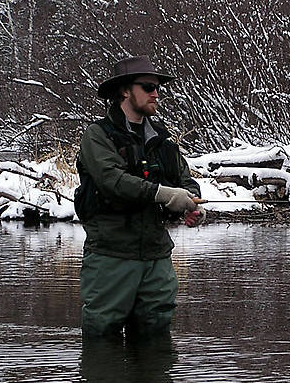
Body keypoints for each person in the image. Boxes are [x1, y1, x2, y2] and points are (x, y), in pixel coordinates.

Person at [76, 55, 205, 337]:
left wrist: (191, 203)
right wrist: (164, 194)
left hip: (156, 257)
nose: (156, 93)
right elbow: (113, 181)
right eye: (148, 87)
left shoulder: (162, 138)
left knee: (156, 336)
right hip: (111, 256)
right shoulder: (97, 136)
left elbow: (184, 179)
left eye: (158, 87)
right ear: (125, 90)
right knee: (102, 337)